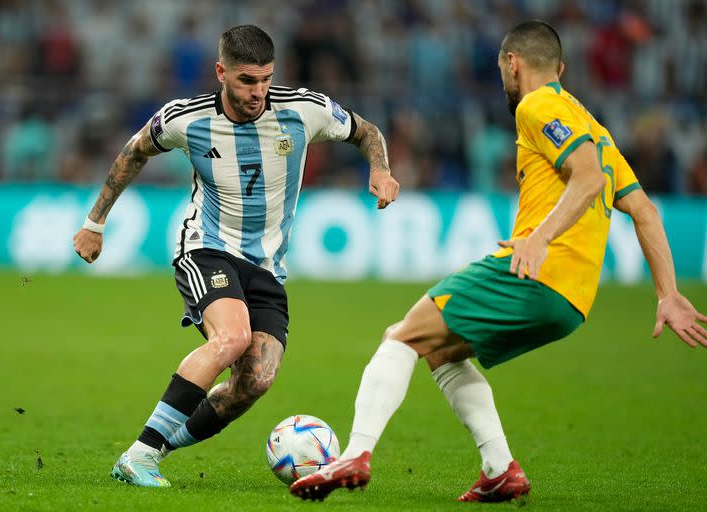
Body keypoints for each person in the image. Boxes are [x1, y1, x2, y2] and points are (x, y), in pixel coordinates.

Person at [290, 20, 707, 503]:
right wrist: (667, 293)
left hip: (536, 273)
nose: (504, 80)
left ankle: (354, 455)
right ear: (562, 67)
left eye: (502, 69)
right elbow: (645, 210)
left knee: (400, 336)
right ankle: (500, 469)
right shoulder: (595, 128)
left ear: (513, 64)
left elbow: (588, 179)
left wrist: (540, 239)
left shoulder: (538, 104)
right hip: (573, 301)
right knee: (442, 352)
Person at [72, 24, 399, 488]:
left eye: (266, 79)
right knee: (232, 338)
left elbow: (367, 131)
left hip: (266, 267)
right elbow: (133, 152)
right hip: (207, 249)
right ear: (221, 73)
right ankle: (140, 455)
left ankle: (156, 448)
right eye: (247, 80)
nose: (258, 91)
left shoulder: (304, 110)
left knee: (255, 381)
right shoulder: (187, 119)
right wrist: (95, 222)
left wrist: (381, 169)